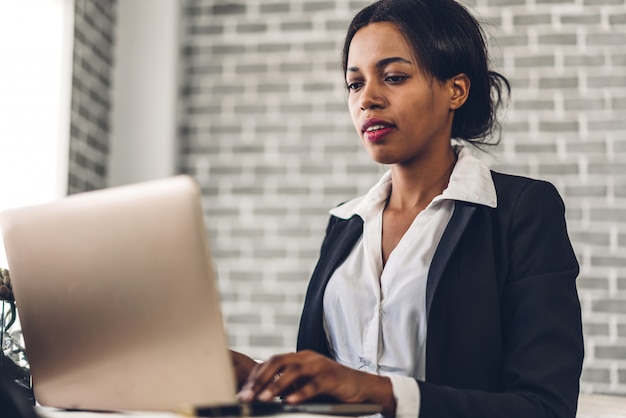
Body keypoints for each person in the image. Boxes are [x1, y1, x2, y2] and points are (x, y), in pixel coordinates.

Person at [233, 0, 584, 417]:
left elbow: (545, 407)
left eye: (394, 77)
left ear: (456, 89)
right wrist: (259, 375)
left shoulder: (520, 212)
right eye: (354, 84)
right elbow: (330, 386)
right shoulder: (346, 222)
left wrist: (383, 392)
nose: (368, 100)